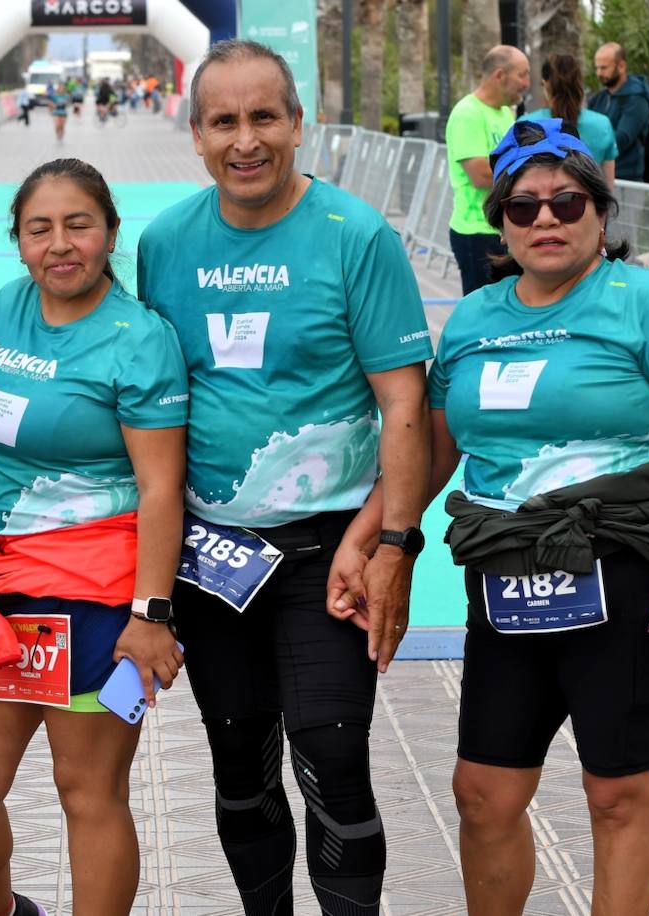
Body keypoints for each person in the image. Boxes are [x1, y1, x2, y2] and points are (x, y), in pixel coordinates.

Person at [130, 38, 434, 915]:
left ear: (299, 124)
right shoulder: (166, 242)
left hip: (327, 554)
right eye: (224, 121)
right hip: (209, 558)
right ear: (195, 134)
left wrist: (392, 544)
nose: (246, 139)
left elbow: (405, 407)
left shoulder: (356, 236)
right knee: (239, 762)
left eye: (265, 116)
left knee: (333, 758)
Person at [420, 117, 649, 914]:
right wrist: (381, 539)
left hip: (624, 575)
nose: (546, 221)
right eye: (523, 208)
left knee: (617, 793)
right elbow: (434, 451)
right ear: (499, 222)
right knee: (483, 794)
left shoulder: (648, 302)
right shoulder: (473, 319)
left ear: (601, 211)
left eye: (567, 203)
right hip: (504, 576)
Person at [0, 157, 189, 916]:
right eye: (40, 228)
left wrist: (152, 615)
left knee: (89, 791)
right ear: (16, 242)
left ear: (111, 231)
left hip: (100, 595)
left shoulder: (140, 339)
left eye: (80, 224)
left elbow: (161, 487)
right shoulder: (6, 306)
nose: (61, 243)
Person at [445, 45, 532, 295]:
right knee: (483, 313)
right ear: (500, 75)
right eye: (522, 75)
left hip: (504, 230)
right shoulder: (467, 113)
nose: (527, 83)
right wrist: (527, 175)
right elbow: (481, 174)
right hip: (476, 232)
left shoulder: (506, 113)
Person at [525, 53, 617, 186]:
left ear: (546, 84)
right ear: (579, 83)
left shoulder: (526, 124)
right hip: (586, 203)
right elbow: (608, 184)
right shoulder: (602, 124)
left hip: (541, 205)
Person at [589, 42, 649, 183]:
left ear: (621, 66)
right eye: (597, 68)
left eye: (604, 68)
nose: (599, 73)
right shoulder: (599, 98)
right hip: (599, 177)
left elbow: (622, 139)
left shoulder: (637, 99)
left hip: (627, 180)